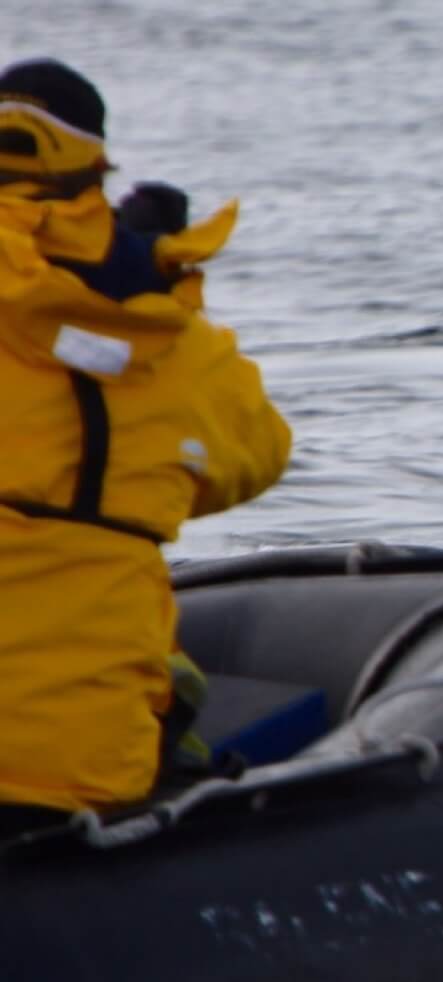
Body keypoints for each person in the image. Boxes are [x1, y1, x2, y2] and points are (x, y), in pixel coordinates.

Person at [0, 58, 292, 836]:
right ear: (93, 167)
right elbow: (257, 452)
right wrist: (143, 278)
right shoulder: (169, 336)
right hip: (78, 773)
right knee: (174, 688)